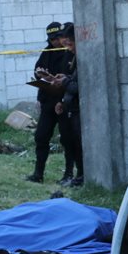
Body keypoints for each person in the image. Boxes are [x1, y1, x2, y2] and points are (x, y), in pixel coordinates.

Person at [26, 21, 68, 183]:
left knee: (67, 140)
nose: (55, 42)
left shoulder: (68, 53)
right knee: (41, 137)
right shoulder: (47, 52)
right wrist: (40, 75)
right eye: (52, 39)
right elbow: (38, 71)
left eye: (58, 38)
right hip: (47, 102)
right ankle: (38, 174)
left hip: (64, 103)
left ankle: (69, 175)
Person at [54, 23, 83, 186]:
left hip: (78, 108)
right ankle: (77, 175)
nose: (68, 48)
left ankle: (81, 176)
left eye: (70, 44)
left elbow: (79, 86)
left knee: (79, 145)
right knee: (73, 143)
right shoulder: (71, 57)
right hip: (70, 106)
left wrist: (64, 81)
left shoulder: (82, 59)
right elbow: (72, 81)